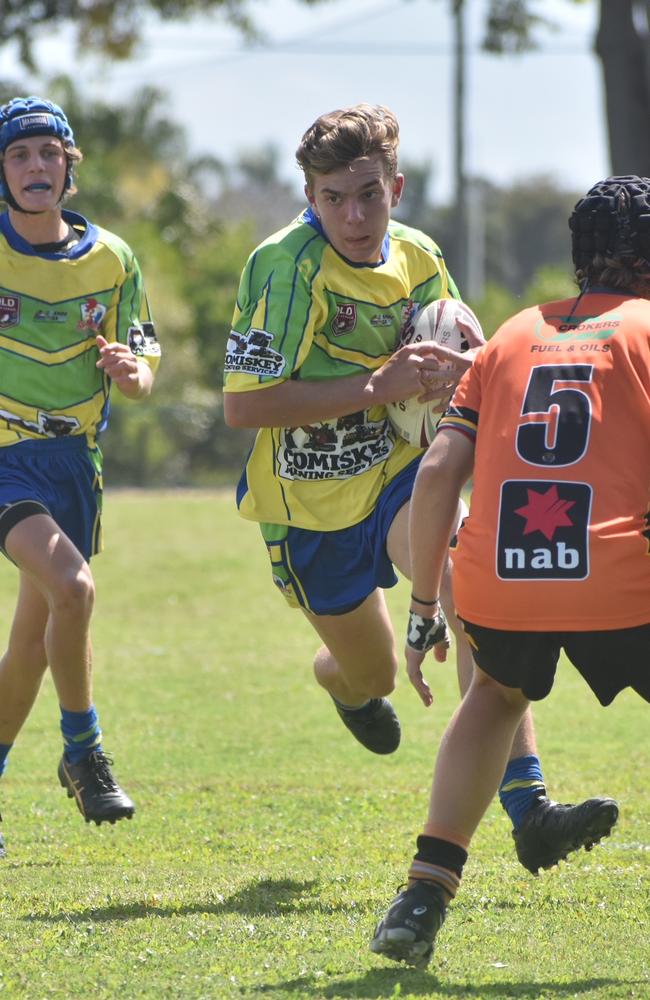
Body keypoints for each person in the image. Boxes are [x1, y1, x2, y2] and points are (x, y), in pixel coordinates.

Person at [223, 103, 612, 873]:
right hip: (306, 509)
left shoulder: (421, 257)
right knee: (367, 672)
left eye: (369, 193)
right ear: (310, 197)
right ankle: (343, 685)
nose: (354, 215)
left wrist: (464, 376)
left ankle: (530, 808)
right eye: (333, 198)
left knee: (473, 592)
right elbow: (244, 406)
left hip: (402, 475)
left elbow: (454, 362)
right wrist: (377, 385)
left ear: (395, 185)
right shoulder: (282, 268)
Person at [370, 174, 650, 969]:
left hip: (503, 573)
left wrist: (426, 608)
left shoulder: (511, 336)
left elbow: (435, 477)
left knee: (493, 696)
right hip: (619, 569)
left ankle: (423, 896)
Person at [0, 96, 161, 857]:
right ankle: (83, 749)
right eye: (19, 155)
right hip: (3, 456)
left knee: (32, 643)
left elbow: (143, 364)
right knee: (74, 589)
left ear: (70, 166)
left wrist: (133, 373)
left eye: (48, 154)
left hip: (75, 463)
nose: (36, 167)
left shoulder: (113, 258)